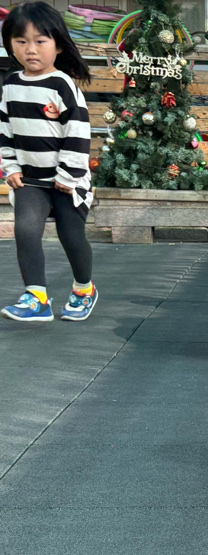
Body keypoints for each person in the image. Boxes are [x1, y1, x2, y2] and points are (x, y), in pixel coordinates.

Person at [0, 3, 95, 322]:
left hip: (68, 181)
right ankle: (36, 297)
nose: (30, 49)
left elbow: (78, 134)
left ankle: (84, 289)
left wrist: (68, 175)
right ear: (10, 44)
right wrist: (11, 168)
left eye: (40, 41)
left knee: (71, 235)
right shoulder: (11, 85)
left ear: (58, 45)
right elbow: (5, 131)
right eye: (21, 41)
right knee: (26, 230)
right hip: (30, 180)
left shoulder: (62, 85)